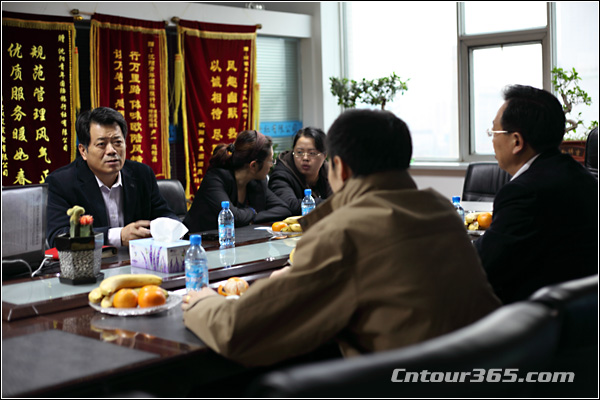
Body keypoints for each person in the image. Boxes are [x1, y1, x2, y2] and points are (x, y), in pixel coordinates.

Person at [182, 109, 501, 367]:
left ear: (339, 168)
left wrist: (202, 302)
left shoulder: (343, 231)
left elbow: (240, 330)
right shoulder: (442, 211)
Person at [474, 84, 598, 304]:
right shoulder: (581, 176)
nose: (492, 140)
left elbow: (481, 267)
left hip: (537, 315)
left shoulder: (524, 193)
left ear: (517, 141)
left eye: (494, 132)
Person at [46, 107, 176, 248]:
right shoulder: (61, 183)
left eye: (117, 142)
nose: (111, 151)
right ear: (83, 151)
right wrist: (117, 236)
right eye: (101, 144)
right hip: (94, 261)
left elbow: (166, 217)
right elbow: (59, 237)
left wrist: (172, 229)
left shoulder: (142, 174)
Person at [183, 130, 291, 233]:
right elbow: (232, 217)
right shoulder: (215, 179)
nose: (272, 165)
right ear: (253, 165)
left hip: (237, 240)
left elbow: (283, 209)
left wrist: (254, 217)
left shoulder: (256, 182)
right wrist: (252, 212)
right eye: (270, 161)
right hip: (198, 241)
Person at [268, 127, 333, 215]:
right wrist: (330, 204)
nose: (305, 158)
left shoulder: (330, 172)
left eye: (312, 153)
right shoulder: (281, 175)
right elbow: (289, 205)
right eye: (299, 152)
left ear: (324, 155)